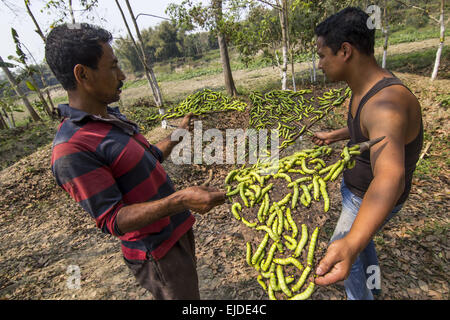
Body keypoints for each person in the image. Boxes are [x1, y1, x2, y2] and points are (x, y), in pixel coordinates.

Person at [45, 23, 226, 300]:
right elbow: (112, 219)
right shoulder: (71, 149)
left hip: (175, 232)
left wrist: (178, 136)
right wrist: (180, 201)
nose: (123, 75)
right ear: (82, 74)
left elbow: (147, 158)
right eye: (113, 66)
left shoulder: (109, 119)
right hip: (156, 253)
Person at [311, 7, 423, 299]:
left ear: (345, 51)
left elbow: (390, 176)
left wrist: (350, 243)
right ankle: (373, 287)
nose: (320, 64)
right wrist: (336, 134)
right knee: (362, 246)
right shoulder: (366, 86)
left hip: (368, 196)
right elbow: (370, 129)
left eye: (322, 55)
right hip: (357, 190)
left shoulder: (386, 103)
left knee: (347, 251)